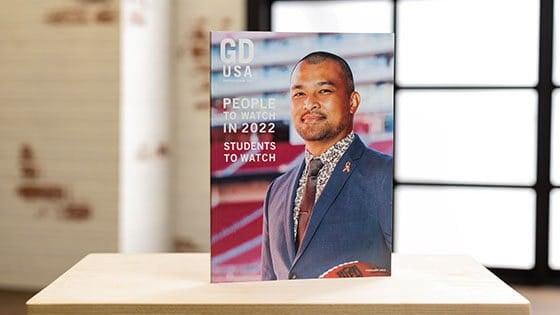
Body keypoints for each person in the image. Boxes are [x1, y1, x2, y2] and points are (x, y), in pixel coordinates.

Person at [260, 51, 393, 280]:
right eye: (299, 94)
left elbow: (411, 279)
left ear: (352, 102)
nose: (309, 103)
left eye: (324, 91)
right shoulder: (276, 191)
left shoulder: (384, 176)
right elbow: (268, 283)